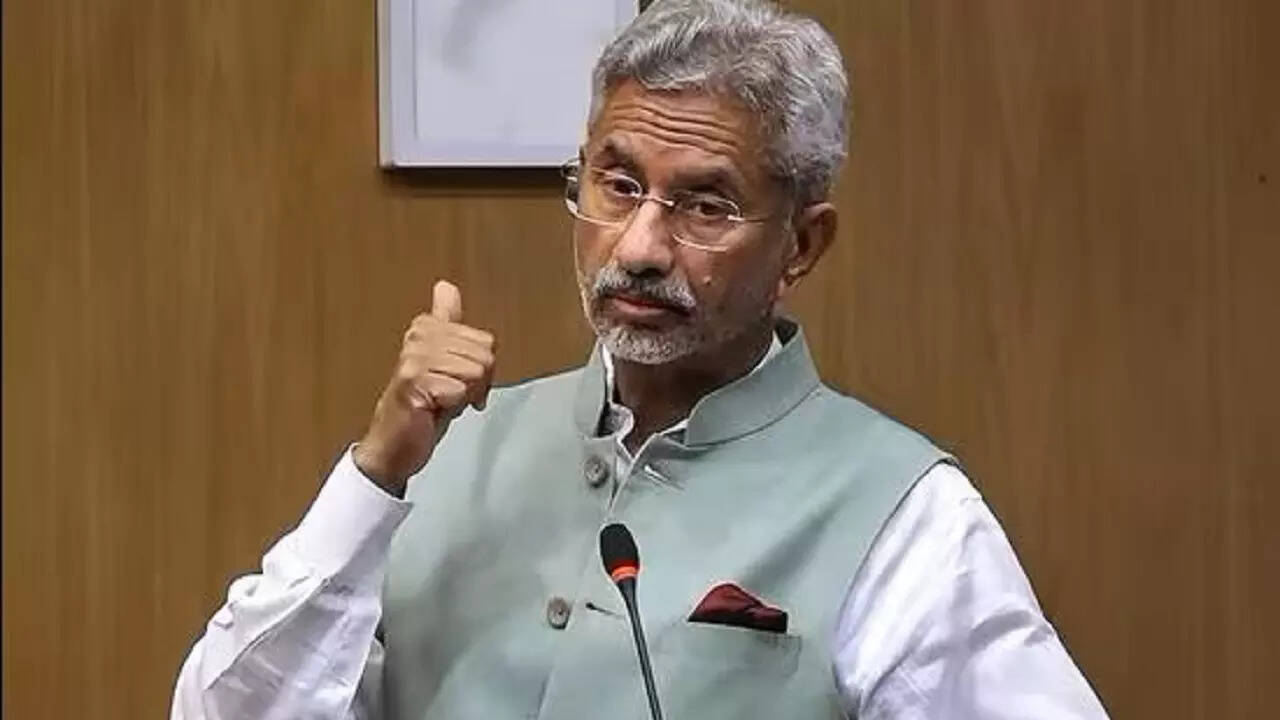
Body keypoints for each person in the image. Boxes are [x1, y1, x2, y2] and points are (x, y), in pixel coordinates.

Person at [171, 1, 1108, 717]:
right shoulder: (448, 454)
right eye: (618, 185)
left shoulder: (904, 514)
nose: (640, 246)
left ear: (801, 245)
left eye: (705, 206)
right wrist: (375, 474)